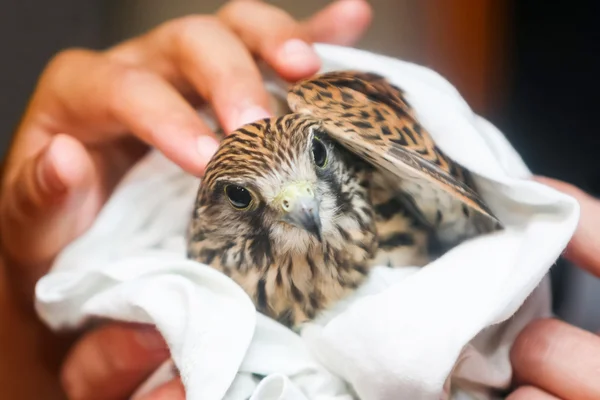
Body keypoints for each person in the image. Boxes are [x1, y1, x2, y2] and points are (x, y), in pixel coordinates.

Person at [0, 1, 597, 399]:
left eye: (312, 163)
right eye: (243, 198)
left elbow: (503, 227)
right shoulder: (205, 271)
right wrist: (39, 322)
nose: (300, 204)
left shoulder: (395, 187)